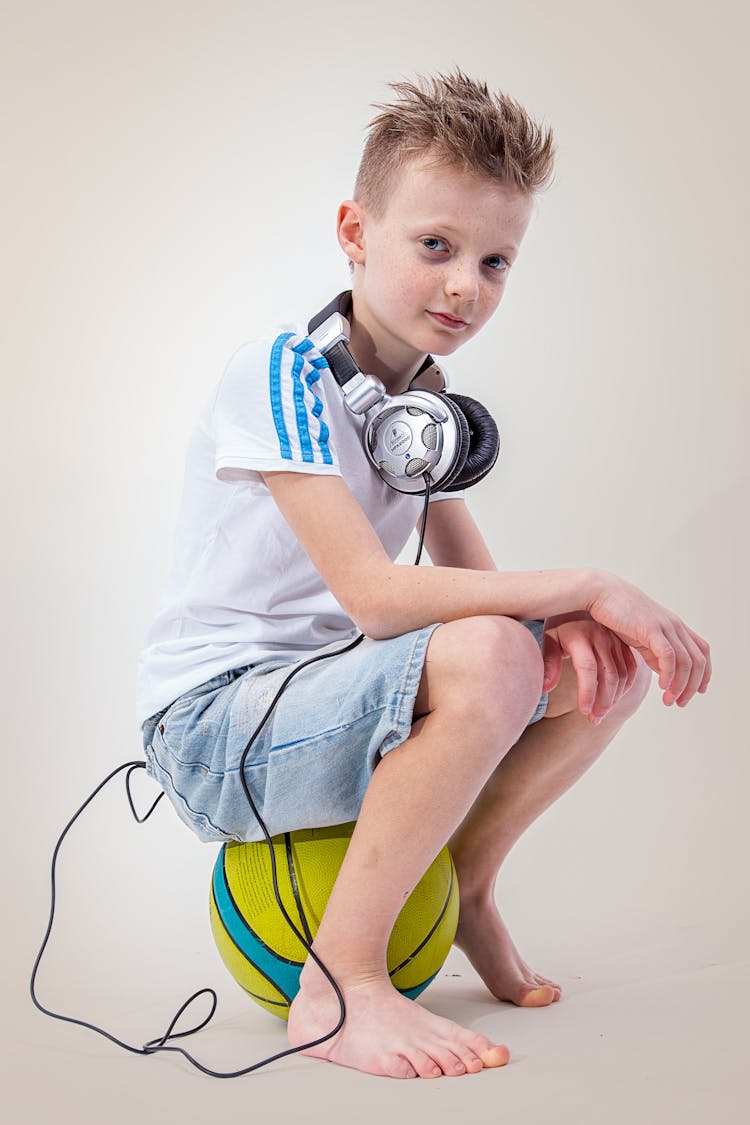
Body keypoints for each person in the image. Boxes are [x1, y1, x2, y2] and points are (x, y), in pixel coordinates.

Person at [136, 71, 711, 1080]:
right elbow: (379, 599)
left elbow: (481, 594)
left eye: (496, 261)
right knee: (505, 643)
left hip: (329, 706)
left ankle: (471, 888)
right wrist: (582, 579)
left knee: (583, 656)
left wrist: (573, 619)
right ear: (356, 231)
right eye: (436, 246)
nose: (466, 286)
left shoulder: (421, 403)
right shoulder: (277, 375)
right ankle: (340, 981)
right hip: (216, 728)